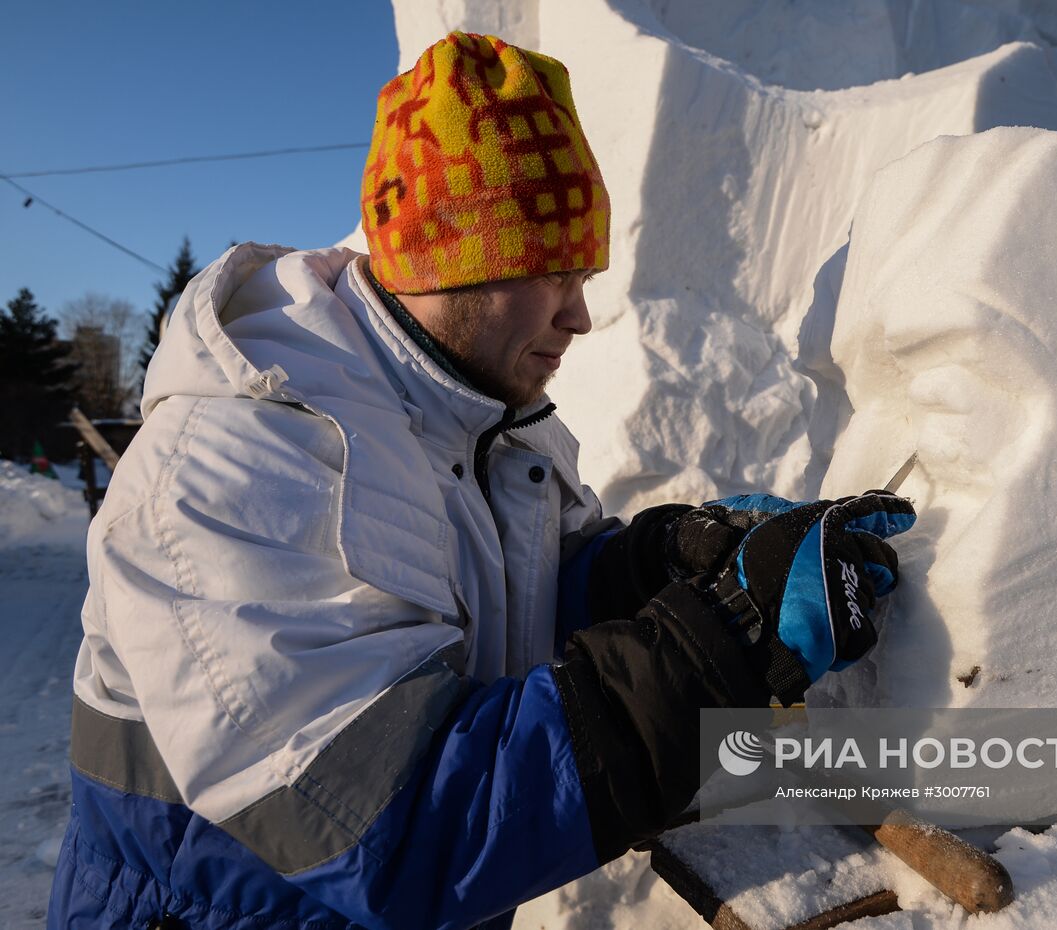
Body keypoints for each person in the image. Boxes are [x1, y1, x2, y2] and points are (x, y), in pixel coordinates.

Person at [47, 33, 915, 930]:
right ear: (451, 257)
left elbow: (513, 613)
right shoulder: (246, 459)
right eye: (558, 272)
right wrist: (724, 640)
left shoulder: (478, 421)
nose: (581, 314)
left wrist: (668, 565)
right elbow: (399, 827)